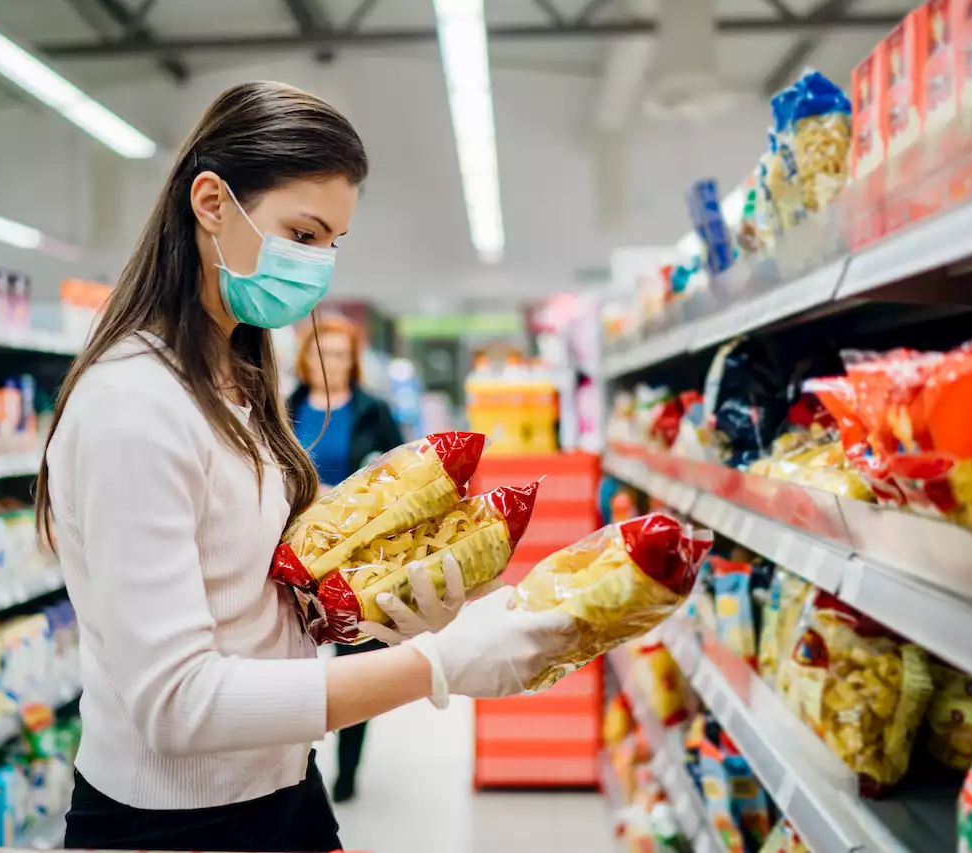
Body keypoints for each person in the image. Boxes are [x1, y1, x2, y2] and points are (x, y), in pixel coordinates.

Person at [36, 81, 573, 853]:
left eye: (332, 243)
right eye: (303, 232)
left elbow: (245, 597)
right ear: (212, 203)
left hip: (282, 792)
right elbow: (179, 703)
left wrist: (373, 606)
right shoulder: (132, 405)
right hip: (174, 825)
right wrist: (436, 664)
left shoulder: (233, 377)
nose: (319, 268)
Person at [287, 316, 402, 804]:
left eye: (338, 354)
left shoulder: (375, 411)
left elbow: (402, 474)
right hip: (295, 555)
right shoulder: (283, 406)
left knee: (355, 661)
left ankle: (348, 770)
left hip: (358, 557)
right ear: (304, 359)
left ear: (351, 361)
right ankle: (298, 762)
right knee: (294, 661)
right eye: (320, 352)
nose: (328, 362)